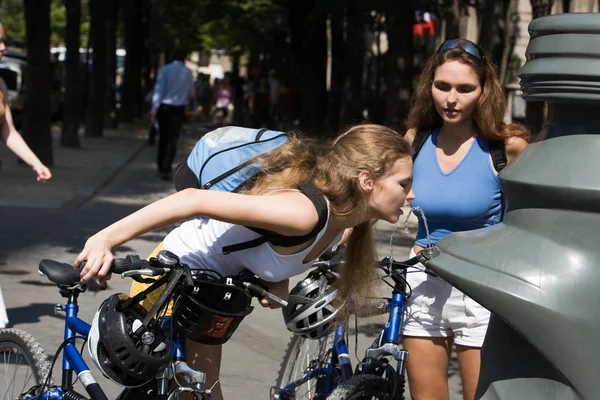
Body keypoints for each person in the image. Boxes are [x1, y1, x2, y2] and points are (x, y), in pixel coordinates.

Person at [75, 124, 414, 400]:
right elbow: (191, 201)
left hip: (215, 290)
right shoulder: (302, 213)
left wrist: (272, 278)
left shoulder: (346, 224)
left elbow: (265, 246)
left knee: (201, 389)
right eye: (404, 184)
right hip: (179, 275)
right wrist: (105, 239)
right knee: (193, 389)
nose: (411, 194)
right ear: (368, 181)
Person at [403, 38, 529, 400]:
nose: (451, 99)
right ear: (430, 86)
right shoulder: (415, 140)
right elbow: (381, 200)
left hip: (481, 289)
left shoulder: (507, 146)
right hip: (423, 282)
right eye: (442, 86)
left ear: (484, 90)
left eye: (464, 88)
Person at [0, 23, 52, 183]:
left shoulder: (0, 85)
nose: (2, 47)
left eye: (3, 41)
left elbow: (9, 131)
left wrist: (36, 163)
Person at [151, 48, 194, 180]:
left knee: (163, 138)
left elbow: (159, 90)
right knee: (173, 139)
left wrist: (153, 110)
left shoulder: (165, 69)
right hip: (178, 109)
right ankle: (166, 168)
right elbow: (191, 92)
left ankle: (160, 166)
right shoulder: (187, 72)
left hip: (164, 107)